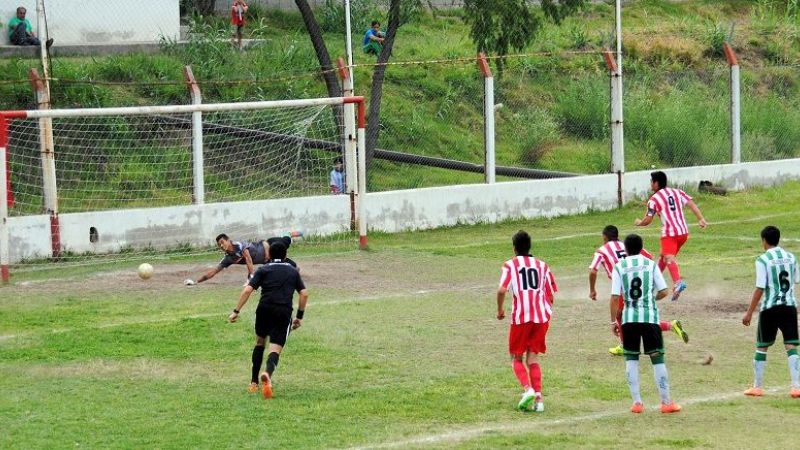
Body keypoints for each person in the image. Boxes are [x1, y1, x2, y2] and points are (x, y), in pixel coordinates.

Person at [589, 225, 689, 356]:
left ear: (605, 237)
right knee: (628, 315)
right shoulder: (628, 245)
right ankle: (625, 344)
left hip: (624, 287)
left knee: (633, 318)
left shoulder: (601, 251)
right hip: (639, 282)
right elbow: (648, 256)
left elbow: (592, 271)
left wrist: (592, 290)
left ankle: (668, 326)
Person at [610, 233, 681, 414]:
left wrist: (613, 321)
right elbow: (664, 291)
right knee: (657, 359)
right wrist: (651, 298)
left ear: (626, 249)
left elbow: (615, 297)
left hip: (629, 319)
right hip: (650, 318)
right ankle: (666, 403)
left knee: (631, 359)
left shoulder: (619, 266)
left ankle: (637, 403)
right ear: (642, 248)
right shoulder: (650, 265)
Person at [229, 240, 308, 399]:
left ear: (269, 255)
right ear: (286, 255)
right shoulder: (293, 271)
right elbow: (304, 293)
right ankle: (267, 373)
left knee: (259, 343)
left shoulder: (263, 269)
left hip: (264, 309)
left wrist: (236, 311)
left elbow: (247, 290)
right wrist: (299, 317)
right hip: (283, 311)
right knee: (275, 349)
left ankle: (253, 382)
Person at [497, 230, 557, 412]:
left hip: (521, 317)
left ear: (514, 248)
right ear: (529, 246)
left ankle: (527, 389)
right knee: (533, 357)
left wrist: (500, 310)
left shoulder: (510, 265)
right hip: (541, 317)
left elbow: (501, 290)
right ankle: (539, 400)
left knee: (516, 357)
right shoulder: (542, 265)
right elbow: (551, 292)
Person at [741, 226, 800, 398]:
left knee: (762, 347)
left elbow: (760, 288)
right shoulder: (791, 257)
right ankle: (796, 387)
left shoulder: (763, 260)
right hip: (789, 307)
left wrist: (749, 312)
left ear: (764, 241)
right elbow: (796, 281)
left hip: (770, 309)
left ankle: (757, 387)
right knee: (791, 346)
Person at [634, 171, 708, 301]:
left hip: (670, 233)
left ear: (656, 183)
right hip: (683, 233)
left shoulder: (654, 199)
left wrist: (639, 223)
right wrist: (700, 218)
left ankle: (677, 283)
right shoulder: (677, 192)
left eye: (651, 181)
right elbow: (691, 204)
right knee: (663, 257)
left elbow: (648, 220)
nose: (650, 184)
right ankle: (652, 282)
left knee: (668, 258)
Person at [184, 234, 294, 285]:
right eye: (219, 245)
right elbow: (214, 271)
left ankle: (288, 235)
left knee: (286, 241)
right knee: (292, 267)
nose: (221, 245)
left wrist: (250, 277)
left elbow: (248, 259)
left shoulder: (239, 245)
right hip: (270, 258)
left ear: (228, 240)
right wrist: (195, 282)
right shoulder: (228, 258)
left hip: (270, 244)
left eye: (222, 242)